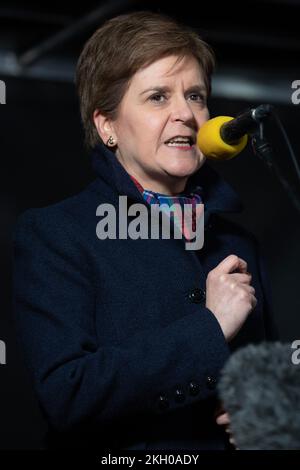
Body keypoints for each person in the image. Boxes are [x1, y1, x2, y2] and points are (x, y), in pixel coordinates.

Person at [13, 11, 278, 450]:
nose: (186, 115)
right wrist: (209, 327)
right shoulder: (56, 235)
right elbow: (67, 394)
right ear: (108, 126)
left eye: (195, 95)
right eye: (158, 97)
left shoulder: (237, 242)